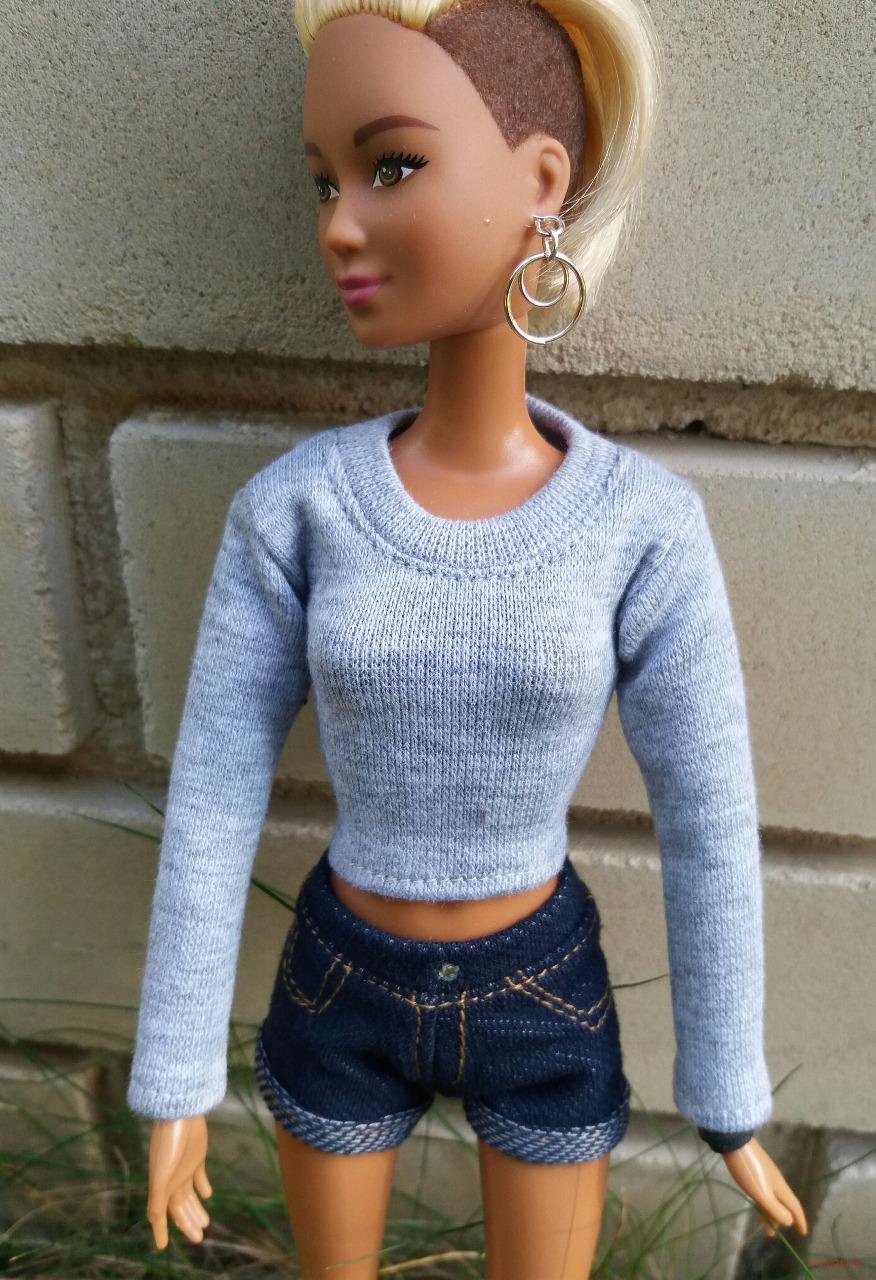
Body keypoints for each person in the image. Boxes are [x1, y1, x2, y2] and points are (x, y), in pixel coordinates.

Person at [127, 0, 808, 1274]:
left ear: (541, 182)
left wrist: (728, 1096)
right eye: (324, 180)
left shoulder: (643, 525)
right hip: (341, 977)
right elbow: (213, 790)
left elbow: (710, 812)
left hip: (540, 988)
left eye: (391, 166)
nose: (338, 224)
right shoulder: (296, 510)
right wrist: (173, 1079)